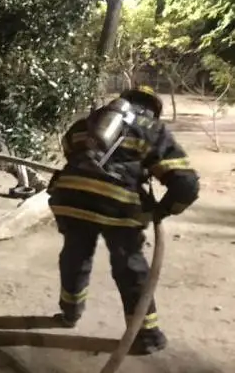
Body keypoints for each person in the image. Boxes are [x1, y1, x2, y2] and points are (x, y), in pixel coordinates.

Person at [48, 85, 200, 355]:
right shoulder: (152, 130)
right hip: (117, 205)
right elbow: (186, 184)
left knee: (74, 255)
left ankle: (70, 313)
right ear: (153, 109)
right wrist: (162, 210)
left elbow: (70, 150)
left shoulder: (88, 122)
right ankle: (147, 335)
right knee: (129, 267)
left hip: (70, 199)